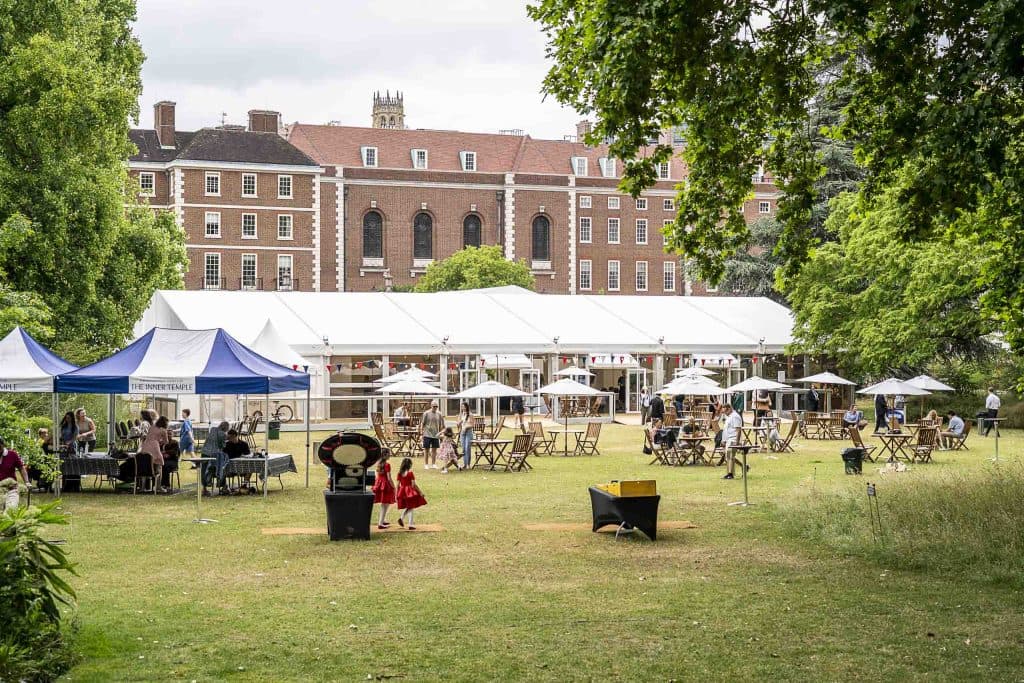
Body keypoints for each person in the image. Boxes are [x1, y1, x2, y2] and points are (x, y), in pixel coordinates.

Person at [395, 457, 427, 530]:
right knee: (411, 507)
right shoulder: (410, 473)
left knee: (409, 506)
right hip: (409, 491)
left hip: (402, 491)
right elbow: (413, 485)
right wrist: (420, 492)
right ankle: (410, 524)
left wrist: (396, 494)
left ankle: (402, 518)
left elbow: (397, 485)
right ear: (409, 465)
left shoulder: (399, 473)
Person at [139, 415, 169, 492]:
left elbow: (148, 436)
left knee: (145, 466)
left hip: (145, 447)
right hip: (155, 448)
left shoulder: (152, 427)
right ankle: (158, 486)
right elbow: (166, 441)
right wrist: (160, 441)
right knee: (159, 465)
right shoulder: (163, 430)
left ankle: (142, 487)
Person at [0, 437, 30, 511]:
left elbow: (21, 468)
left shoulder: (12, 454)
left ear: (3, 445)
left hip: (11, 489)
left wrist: (27, 482)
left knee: (11, 510)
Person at [200, 420, 229, 495]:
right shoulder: (223, 434)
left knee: (204, 470)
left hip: (205, 452)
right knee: (219, 468)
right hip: (214, 454)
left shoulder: (212, 429)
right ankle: (222, 484)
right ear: (226, 428)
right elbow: (222, 446)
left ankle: (204, 488)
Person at [721, 404, 746, 479]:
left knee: (731, 456)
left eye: (726, 411)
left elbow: (738, 430)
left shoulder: (735, 416)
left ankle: (730, 474)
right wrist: (724, 440)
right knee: (728, 457)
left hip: (733, 438)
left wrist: (737, 441)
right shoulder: (729, 417)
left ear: (729, 408)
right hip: (728, 439)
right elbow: (726, 430)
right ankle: (744, 466)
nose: (725, 413)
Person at [371, 452, 396, 529]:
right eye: (388, 454)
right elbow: (389, 478)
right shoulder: (387, 465)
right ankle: (380, 523)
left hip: (379, 483)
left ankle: (383, 520)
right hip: (385, 485)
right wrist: (393, 486)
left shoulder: (378, 464)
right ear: (385, 455)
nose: (390, 455)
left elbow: (376, 475)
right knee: (385, 504)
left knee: (384, 504)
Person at [419, 401, 444, 470]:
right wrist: (421, 433)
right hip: (427, 434)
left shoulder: (439, 414)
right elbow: (422, 423)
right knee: (426, 450)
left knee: (434, 450)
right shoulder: (426, 413)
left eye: (436, 406)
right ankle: (426, 464)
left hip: (436, 434)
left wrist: (441, 432)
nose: (435, 408)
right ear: (431, 406)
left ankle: (433, 464)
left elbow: (442, 424)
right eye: (434, 406)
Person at [457, 402, 474, 470]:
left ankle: (468, 464)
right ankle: (465, 464)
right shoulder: (461, 415)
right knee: (463, 448)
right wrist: (460, 422)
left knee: (467, 448)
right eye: (462, 407)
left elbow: (472, 425)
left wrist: (467, 427)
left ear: (467, 407)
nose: (463, 408)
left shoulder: (470, 414)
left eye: (464, 406)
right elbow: (458, 424)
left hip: (468, 432)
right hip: (462, 433)